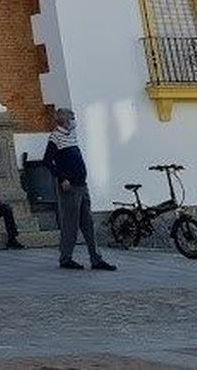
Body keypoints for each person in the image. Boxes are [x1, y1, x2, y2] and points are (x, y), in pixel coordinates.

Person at [42, 108, 114, 271]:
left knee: (88, 223)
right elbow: (47, 161)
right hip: (70, 186)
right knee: (70, 224)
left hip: (82, 184)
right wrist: (62, 178)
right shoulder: (55, 137)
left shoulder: (71, 135)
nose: (74, 120)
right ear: (64, 120)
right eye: (72, 117)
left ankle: (96, 258)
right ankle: (65, 258)